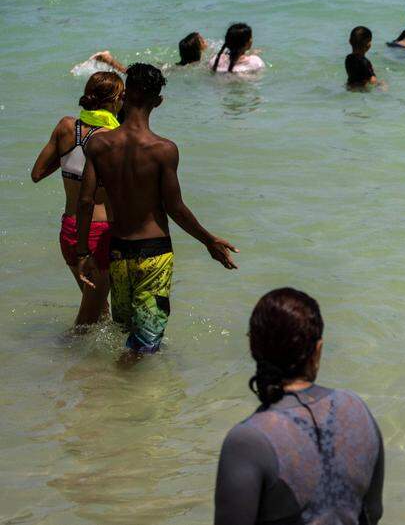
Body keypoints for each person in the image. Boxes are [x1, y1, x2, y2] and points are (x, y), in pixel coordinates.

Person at [76, 63, 238, 355]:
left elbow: (86, 201)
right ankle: (132, 394)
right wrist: (208, 240)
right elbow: (174, 208)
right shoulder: (163, 149)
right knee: (145, 343)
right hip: (154, 254)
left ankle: (114, 393)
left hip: (118, 252)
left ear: (124, 95)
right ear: (159, 101)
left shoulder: (99, 144)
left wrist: (83, 253)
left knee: (124, 331)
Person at [214, 288, 384, 525]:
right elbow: (372, 513)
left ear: (253, 347)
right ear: (318, 350)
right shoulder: (357, 410)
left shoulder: (247, 441)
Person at [30, 72, 125, 328]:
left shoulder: (65, 127)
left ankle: (94, 368)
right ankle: (64, 363)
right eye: (122, 97)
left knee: (99, 310)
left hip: (70, 230)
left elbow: (37, 174)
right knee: (86, 322)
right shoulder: (114, 138)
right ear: (115, 99)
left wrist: (67, 157)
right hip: (97, 235)